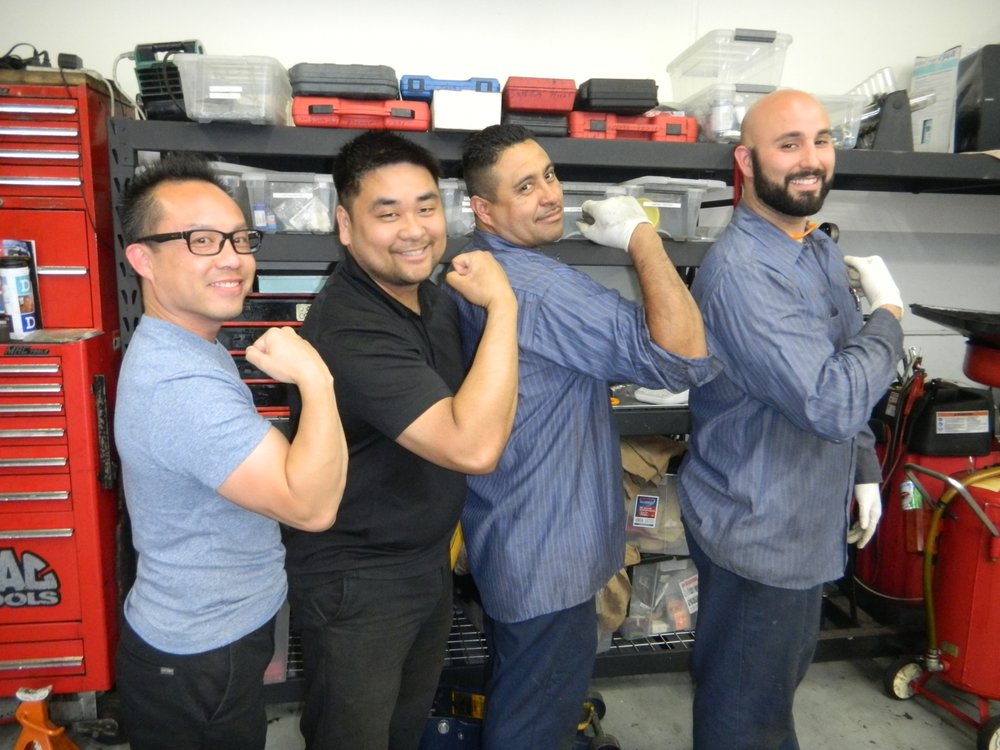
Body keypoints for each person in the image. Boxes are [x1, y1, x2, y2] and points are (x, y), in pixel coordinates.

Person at [453, 123, 721, 749]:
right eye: (525, 187)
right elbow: (683, 357)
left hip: (518, 532)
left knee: (533, 694)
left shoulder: (481, 266)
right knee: (532, 719)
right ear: (484, 209)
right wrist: (640, 236)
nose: (551, 194)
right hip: (548, 553)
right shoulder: (537, 287)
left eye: (548, 175)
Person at [677, 89, 905, 749]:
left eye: (822, 140)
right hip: (761, 533)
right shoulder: (744, 273)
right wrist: (889, 316)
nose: (811, 159)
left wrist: (862, 466)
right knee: (745, 715)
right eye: (789, 144)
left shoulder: (817, 249)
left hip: (806, 521)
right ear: (747, 161)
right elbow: (833, 400)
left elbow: (844, 366)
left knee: (770, 695)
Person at [283, 130, 518, 750]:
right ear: (345, 224)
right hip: (358, 580)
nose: (413, 230)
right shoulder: (350, 327)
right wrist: (504, 308)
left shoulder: (429, 300)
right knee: (353, 738)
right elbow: (472, 447)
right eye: (386, 213)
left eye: (425, 207)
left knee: (402, 730)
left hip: (421, 559)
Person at [114, 153, 348, 750]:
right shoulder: (179, 384)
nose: (233, 258)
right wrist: (316, 379)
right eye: (201, 240)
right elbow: (312, 507)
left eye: (240, 239)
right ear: (142, 258)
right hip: (197, 660)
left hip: (214, 636)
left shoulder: (191, 345)